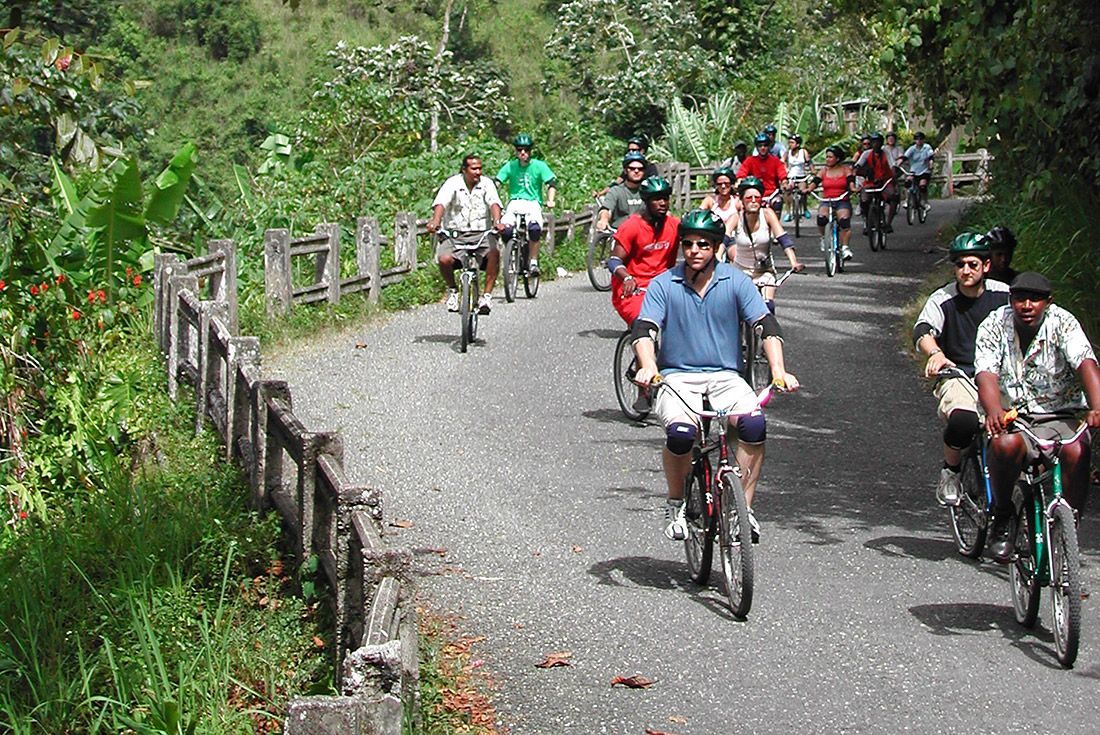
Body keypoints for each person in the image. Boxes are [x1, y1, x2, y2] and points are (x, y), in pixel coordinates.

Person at [630, 209, 800, 542]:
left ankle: (743, 511)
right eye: (689, 244)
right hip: (676, 378)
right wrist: (648, 365)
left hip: (726, 377)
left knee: (754, 426)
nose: (695, 251)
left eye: (703, 245)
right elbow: (644, 329)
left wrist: (778, 370)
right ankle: (676, 503)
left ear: (715, 248)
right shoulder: (665, 284)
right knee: (681, 434)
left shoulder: (736, 281)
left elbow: (766, 325)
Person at [974, 271, 1100, 562]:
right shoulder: (994, 324)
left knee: (1077, 449)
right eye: (1020, 299)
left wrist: (1096, 406)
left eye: (1035, 299)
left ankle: (1069, 528)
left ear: (1048, 302)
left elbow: (1086, 364)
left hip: (1059, 414)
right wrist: (994, 411)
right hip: (1013, 415)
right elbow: (986, 373)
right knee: (1005, 446)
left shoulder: (1063, 323)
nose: (1027, 305)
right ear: (1011, 300)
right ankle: (1003, 517)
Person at [912, 232, 1009, 505]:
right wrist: (936, 353)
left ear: (986, 266)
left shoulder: (1004, 296)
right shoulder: (942, 298)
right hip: (958, 374)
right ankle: (951, 471)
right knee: (963, 420)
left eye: (973, 264)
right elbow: (922, 330)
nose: (965, 270)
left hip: (1001, 376)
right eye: (960, 265)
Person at [426, 154, 505, 314]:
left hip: (481, 232)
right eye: (474, 169)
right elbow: (441, 202)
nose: (478, 172)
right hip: (455, 234)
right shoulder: (452, 183)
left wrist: (497, 221)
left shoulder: (487, 184)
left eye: (480, 168)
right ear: (464, 169)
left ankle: (487, 296)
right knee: (444, 258)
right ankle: (453, 291)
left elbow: (494, 203)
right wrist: (435, 221)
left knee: (494, 253)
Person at [606, 176, 680, 328]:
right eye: (656, 199)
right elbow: (614, 260)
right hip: (634, 289)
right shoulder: (632, 226)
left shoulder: (674, 225)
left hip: (664, 286)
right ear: (646, 201)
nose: (663, 203)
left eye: (665, 199)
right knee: (645, 325)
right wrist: (627, 278)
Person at [725, 176, 804, 312]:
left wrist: (794, 262)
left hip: (764, 271)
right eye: (749, 198)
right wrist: (714, 261)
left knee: (768, 305)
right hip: (741, 272)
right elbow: (723, 241)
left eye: (757, 197)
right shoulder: (736, 218)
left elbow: (783, 239)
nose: (754, 201)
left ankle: (767, 333)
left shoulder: (767, 214)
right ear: (742, 200)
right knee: (735, 310)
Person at [496, 133, 557, 277]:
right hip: (515, 202)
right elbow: (497, 182)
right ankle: (510, 255)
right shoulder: (510, 166)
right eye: (519, 149)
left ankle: (533, 261)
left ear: (530, 151)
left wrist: (550, 200)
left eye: (526, 149)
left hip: (532, 203)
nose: (523, 153)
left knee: (534, 228)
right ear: (516, 151)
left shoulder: (539, 166)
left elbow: (551, 183)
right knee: (506, 229)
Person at [808, 144, 855, 261]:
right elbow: (815, 182)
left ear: (837, 158)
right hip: (827, 200)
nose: (827, 159)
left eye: (830, 157)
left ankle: (845, 247)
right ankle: (824, 237)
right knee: (821, 218)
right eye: (827, 157)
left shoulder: (845, 170)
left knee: (844, 222)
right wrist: (807, 190)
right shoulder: (823, 171)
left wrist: (853, 189)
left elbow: (851, 182)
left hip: (841, 200)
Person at [737, 133, 788, 218]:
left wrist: (785, 183)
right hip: (755, 194)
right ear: (757, 147)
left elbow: (782, 174)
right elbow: (742, 174)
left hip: (772, 194)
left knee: (778, 203)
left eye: (765, 145)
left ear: (769, 147)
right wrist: (738, 182)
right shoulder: (750, 161)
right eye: (760, 146)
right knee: (741, 206)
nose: (763, 148)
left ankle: (775, 226)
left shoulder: (775, 161)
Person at [856, 132, 898, 233]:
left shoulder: (886, 153)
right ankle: (867, 221)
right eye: (874, 142)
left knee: (893, 197)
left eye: (878, 142)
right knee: (864, 200)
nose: (876, 144)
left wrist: (893, 174)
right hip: (870, 182)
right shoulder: (867, 154)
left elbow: (892, 165)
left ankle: (888, 223)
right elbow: (858, 165)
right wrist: (856, 170)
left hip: (885, 182)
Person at [596, 153, 647, 231]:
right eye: (632, 168)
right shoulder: (616, 191)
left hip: (644, 233)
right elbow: (606, 209)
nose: (636, 171)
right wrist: (604, 219)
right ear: (625, 171)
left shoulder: (648, 191)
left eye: (640, 169)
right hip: (619, 233)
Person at [898, 131, 934, 211]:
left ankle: (924, 201)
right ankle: (907, 200)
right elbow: (905, 157)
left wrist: (931, 164)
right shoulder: (912, 149)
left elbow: (931, 156)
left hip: (924, 170)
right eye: (917, 139)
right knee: (908, 182)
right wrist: (899, 163)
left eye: (921, 139)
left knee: (922, 185)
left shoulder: (927, 147)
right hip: (914, 170)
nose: (919, 141)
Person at [782, 134, 813, 222]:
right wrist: (785, 169)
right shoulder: (787, 153)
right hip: (790, 177)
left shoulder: (803, 152)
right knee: (787, 192)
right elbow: (781, 162)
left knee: (803, 192)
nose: (790, 144)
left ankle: (805, 209)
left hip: (801, 176)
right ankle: (788, 212)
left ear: (798, 144)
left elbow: (809, 162)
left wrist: (813, 170)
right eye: (789, 143)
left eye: (792, 142)